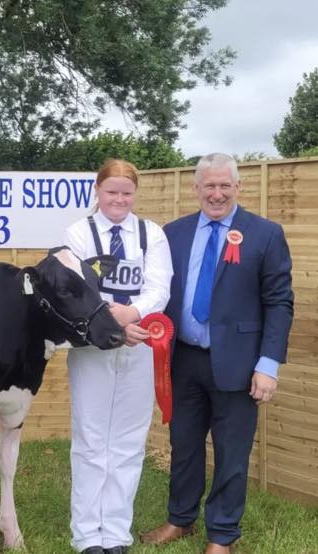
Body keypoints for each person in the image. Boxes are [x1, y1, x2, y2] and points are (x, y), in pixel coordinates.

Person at [140, 153, 294, 554]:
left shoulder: (265, 234)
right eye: (209, 185)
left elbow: (279, 302)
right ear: (196, 189)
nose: (217, 193)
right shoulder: (172, 234)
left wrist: (268, 364)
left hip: (240, 364)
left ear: (238, 187)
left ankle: (222, 535)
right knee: (184, 445)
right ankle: (180, 518)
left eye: (225, 185)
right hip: (184, 359)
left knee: (232, 453)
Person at [64, 159, 173, 554]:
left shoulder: (151, 234)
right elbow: (78, 290)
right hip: (93, 347)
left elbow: (159, 287)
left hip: (141, 343)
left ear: (135, 194)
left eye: (127, 193)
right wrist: (113, 325)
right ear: (98, 190)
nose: (119, 199)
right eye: (112, 191)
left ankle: (115, 533)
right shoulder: (79, 232)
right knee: (91, 438)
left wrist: (134, 314)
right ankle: (86, 534)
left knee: (128, 440)